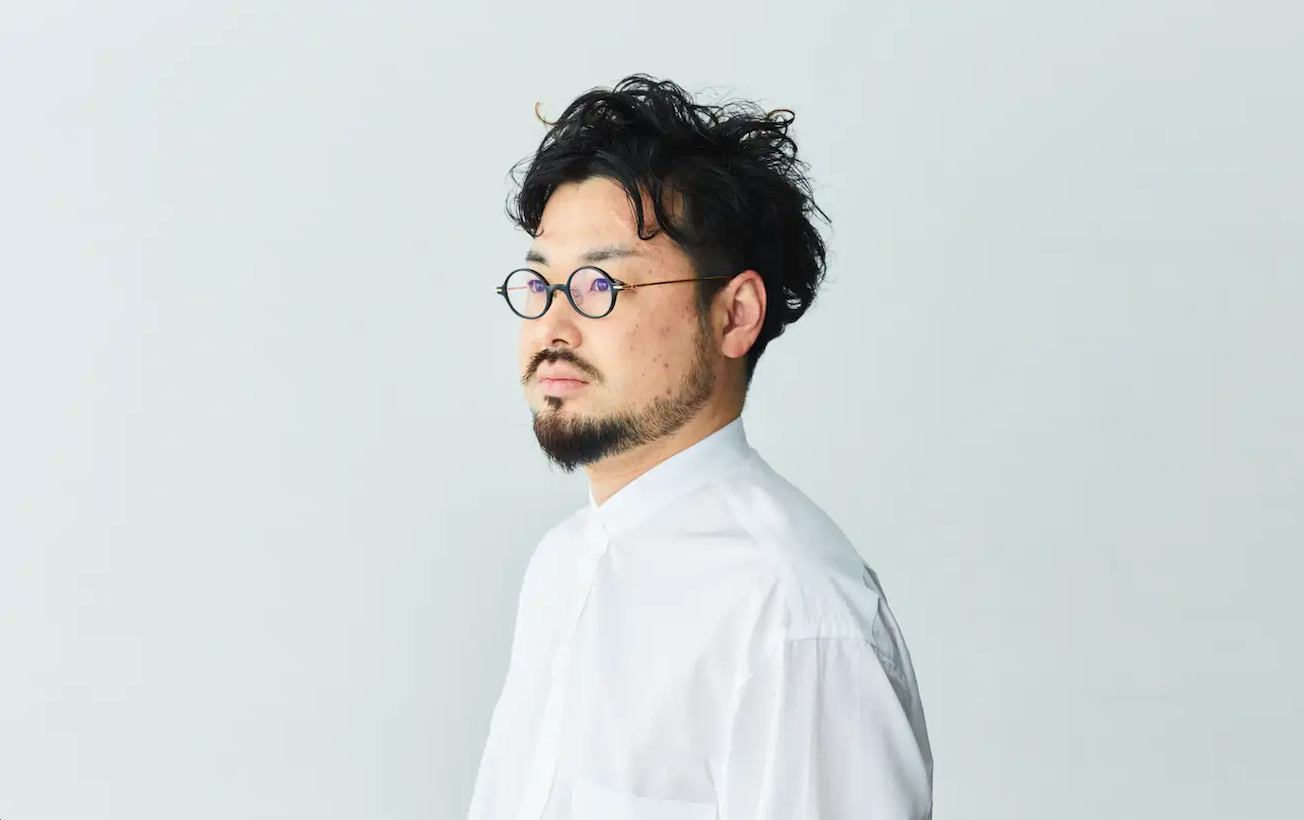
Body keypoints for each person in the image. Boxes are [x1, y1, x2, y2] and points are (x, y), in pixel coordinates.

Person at [467, 75, 933, 820]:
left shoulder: (791, 612)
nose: (552, 324)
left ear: (735, 314)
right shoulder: (560, 564)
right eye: (540, 281)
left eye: (599, 284)